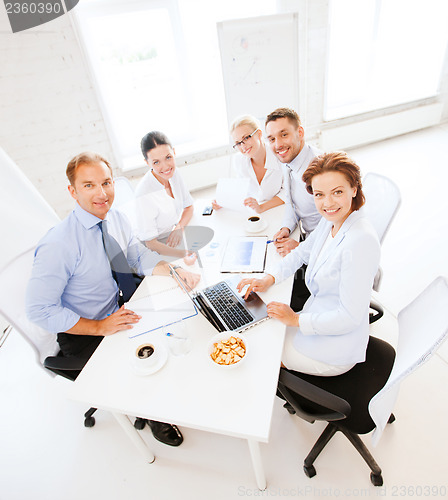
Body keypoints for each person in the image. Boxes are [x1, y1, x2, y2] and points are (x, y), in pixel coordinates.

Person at [26, 152, 200, 447]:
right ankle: (154, 414)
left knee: (177, 325)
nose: (102, 193)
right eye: (89, 185)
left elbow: (135, 255)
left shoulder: (116, 218)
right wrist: (99, 327)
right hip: (84, 330)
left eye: (106, 182)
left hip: (117, 308)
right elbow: (38, 310)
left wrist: (172, 270)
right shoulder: (59, 244)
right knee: (148, 358)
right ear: (73, 191)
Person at [237, 152, 380, 375]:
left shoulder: (361, 242)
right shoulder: (333, 219)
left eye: (338, 192)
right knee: (264, 330)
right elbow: (303, 252)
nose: (328, 203)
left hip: (335, 347)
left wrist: (295, 319)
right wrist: (268, 278)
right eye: (320, 194)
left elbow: (350, 318)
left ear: (354, 188)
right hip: (316, 315)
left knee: (262, 351)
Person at [265, 107, 322, 257]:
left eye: (284, 135)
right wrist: (286, 228)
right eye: (272, 139)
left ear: (300, 133)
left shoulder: (319, 173)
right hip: (309, 239)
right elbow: (292, 202)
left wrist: (300, 248)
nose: (278, 145)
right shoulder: (290, 162)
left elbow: (336, 228)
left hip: (323, 251)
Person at [135, 131, 196, 263]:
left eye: (168, 157)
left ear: (174, 152)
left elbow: (189, 207)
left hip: (173, 237)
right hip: (155, 251)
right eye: (156, 162)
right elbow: (150, 243)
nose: (165, 167)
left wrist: (179, 228)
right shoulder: (144, 194)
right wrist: (180, 254)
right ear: (147, 162)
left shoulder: (174, 173)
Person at [212, 115, 285, 213]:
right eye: (238, 143)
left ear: (259, 134)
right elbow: (242, 189)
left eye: (246, 138)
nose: (243, 146)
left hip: (279, 210)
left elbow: (287, 192)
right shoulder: (238, 160)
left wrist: (262, 207)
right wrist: (223, 201)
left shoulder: (280, 156)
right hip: (256, 213)